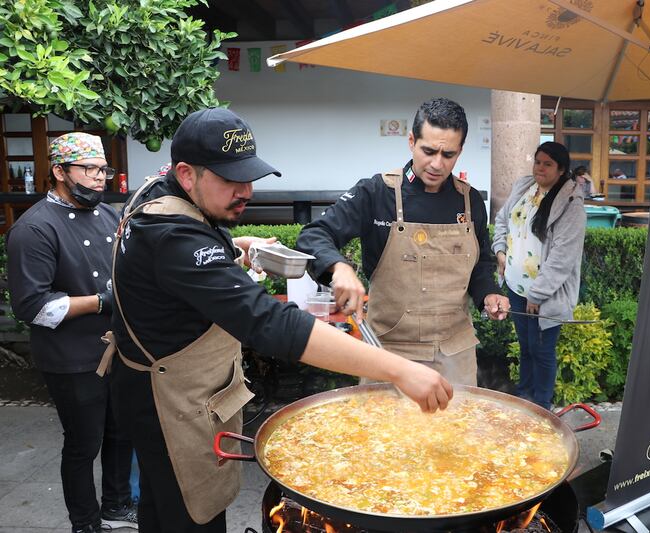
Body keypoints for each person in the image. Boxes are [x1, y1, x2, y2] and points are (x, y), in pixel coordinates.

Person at [102, 107, 452, 533]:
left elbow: (181, 255)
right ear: (187, 174)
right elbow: (270, 323)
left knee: (163, 509)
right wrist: (400, 370)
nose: (245, 190)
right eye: (231, 180)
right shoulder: (173, 237)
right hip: (168, 403)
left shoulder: (159, 190)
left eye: (249, 177)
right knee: (192, 517)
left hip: (145, 385)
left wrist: (231, 245)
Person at [296, 97, 509, 386]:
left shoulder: (469, 201)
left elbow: (481, 264)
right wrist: (338, 267)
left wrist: (489, 294)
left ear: (460, 151)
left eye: (448, 155)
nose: (437, 163)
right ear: (411, 141)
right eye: (429, 151)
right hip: (389, 353)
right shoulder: (375, 192)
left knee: (456, 429)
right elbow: (313, 234)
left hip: (455, 354)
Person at [6, 133, 137, 533]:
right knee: (84, 443)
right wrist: (102, 301)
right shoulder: (33, 229)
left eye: (103, 170)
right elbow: (33, 308)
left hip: (118, 348)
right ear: (60, 172)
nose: (101, 179)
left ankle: (116, 506)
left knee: (122, 432)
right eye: (90, 170)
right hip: (71, 356)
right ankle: (85, 522)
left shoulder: (109, 216)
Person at [492, 142, 586, 410]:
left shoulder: (570, 204)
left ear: (561, 170)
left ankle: (542, 407)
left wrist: (538, 294)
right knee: (525, 347)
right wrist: (500, 251)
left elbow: (563, 258)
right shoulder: (524, 188)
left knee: (542, 351)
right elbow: (502, 221)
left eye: (547, 164)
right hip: (515, 287)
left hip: (545, 295)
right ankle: (525, 400)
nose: (540, 168)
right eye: (537, 162)